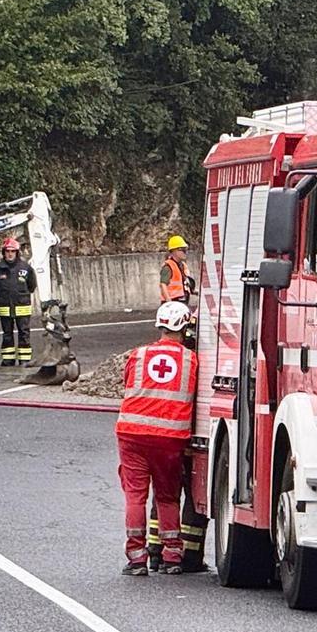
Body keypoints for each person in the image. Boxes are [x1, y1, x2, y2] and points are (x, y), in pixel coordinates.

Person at [117, 301, 198, 576]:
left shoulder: (138, 355)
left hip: (131, 434)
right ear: (185, 328)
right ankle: (173, 555)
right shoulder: (191, 359)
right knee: (167, 496)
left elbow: (127, 384)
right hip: (170, 438)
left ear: (160, 325)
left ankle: (137, 558)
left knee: (135, 497)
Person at [0, 237, 37, 367]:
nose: (10, 254)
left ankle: (24, 359)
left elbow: (32, 286)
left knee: (24, 333)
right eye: (7, 251)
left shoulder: (26, 268)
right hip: (5, 307)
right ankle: (8, 359)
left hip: (22, 306)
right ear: (4, 252)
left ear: (17, 252)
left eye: (13, 251)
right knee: (7, 334)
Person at [160, 235, 195, 304]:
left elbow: (185, 284)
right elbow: (163, 285)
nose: (185, 252)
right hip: (172, 303)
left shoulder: (183, 266)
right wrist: (169, 302)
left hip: (182, 302)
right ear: (174, 251)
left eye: (186, 250)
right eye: (182, 250)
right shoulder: (168, 267)